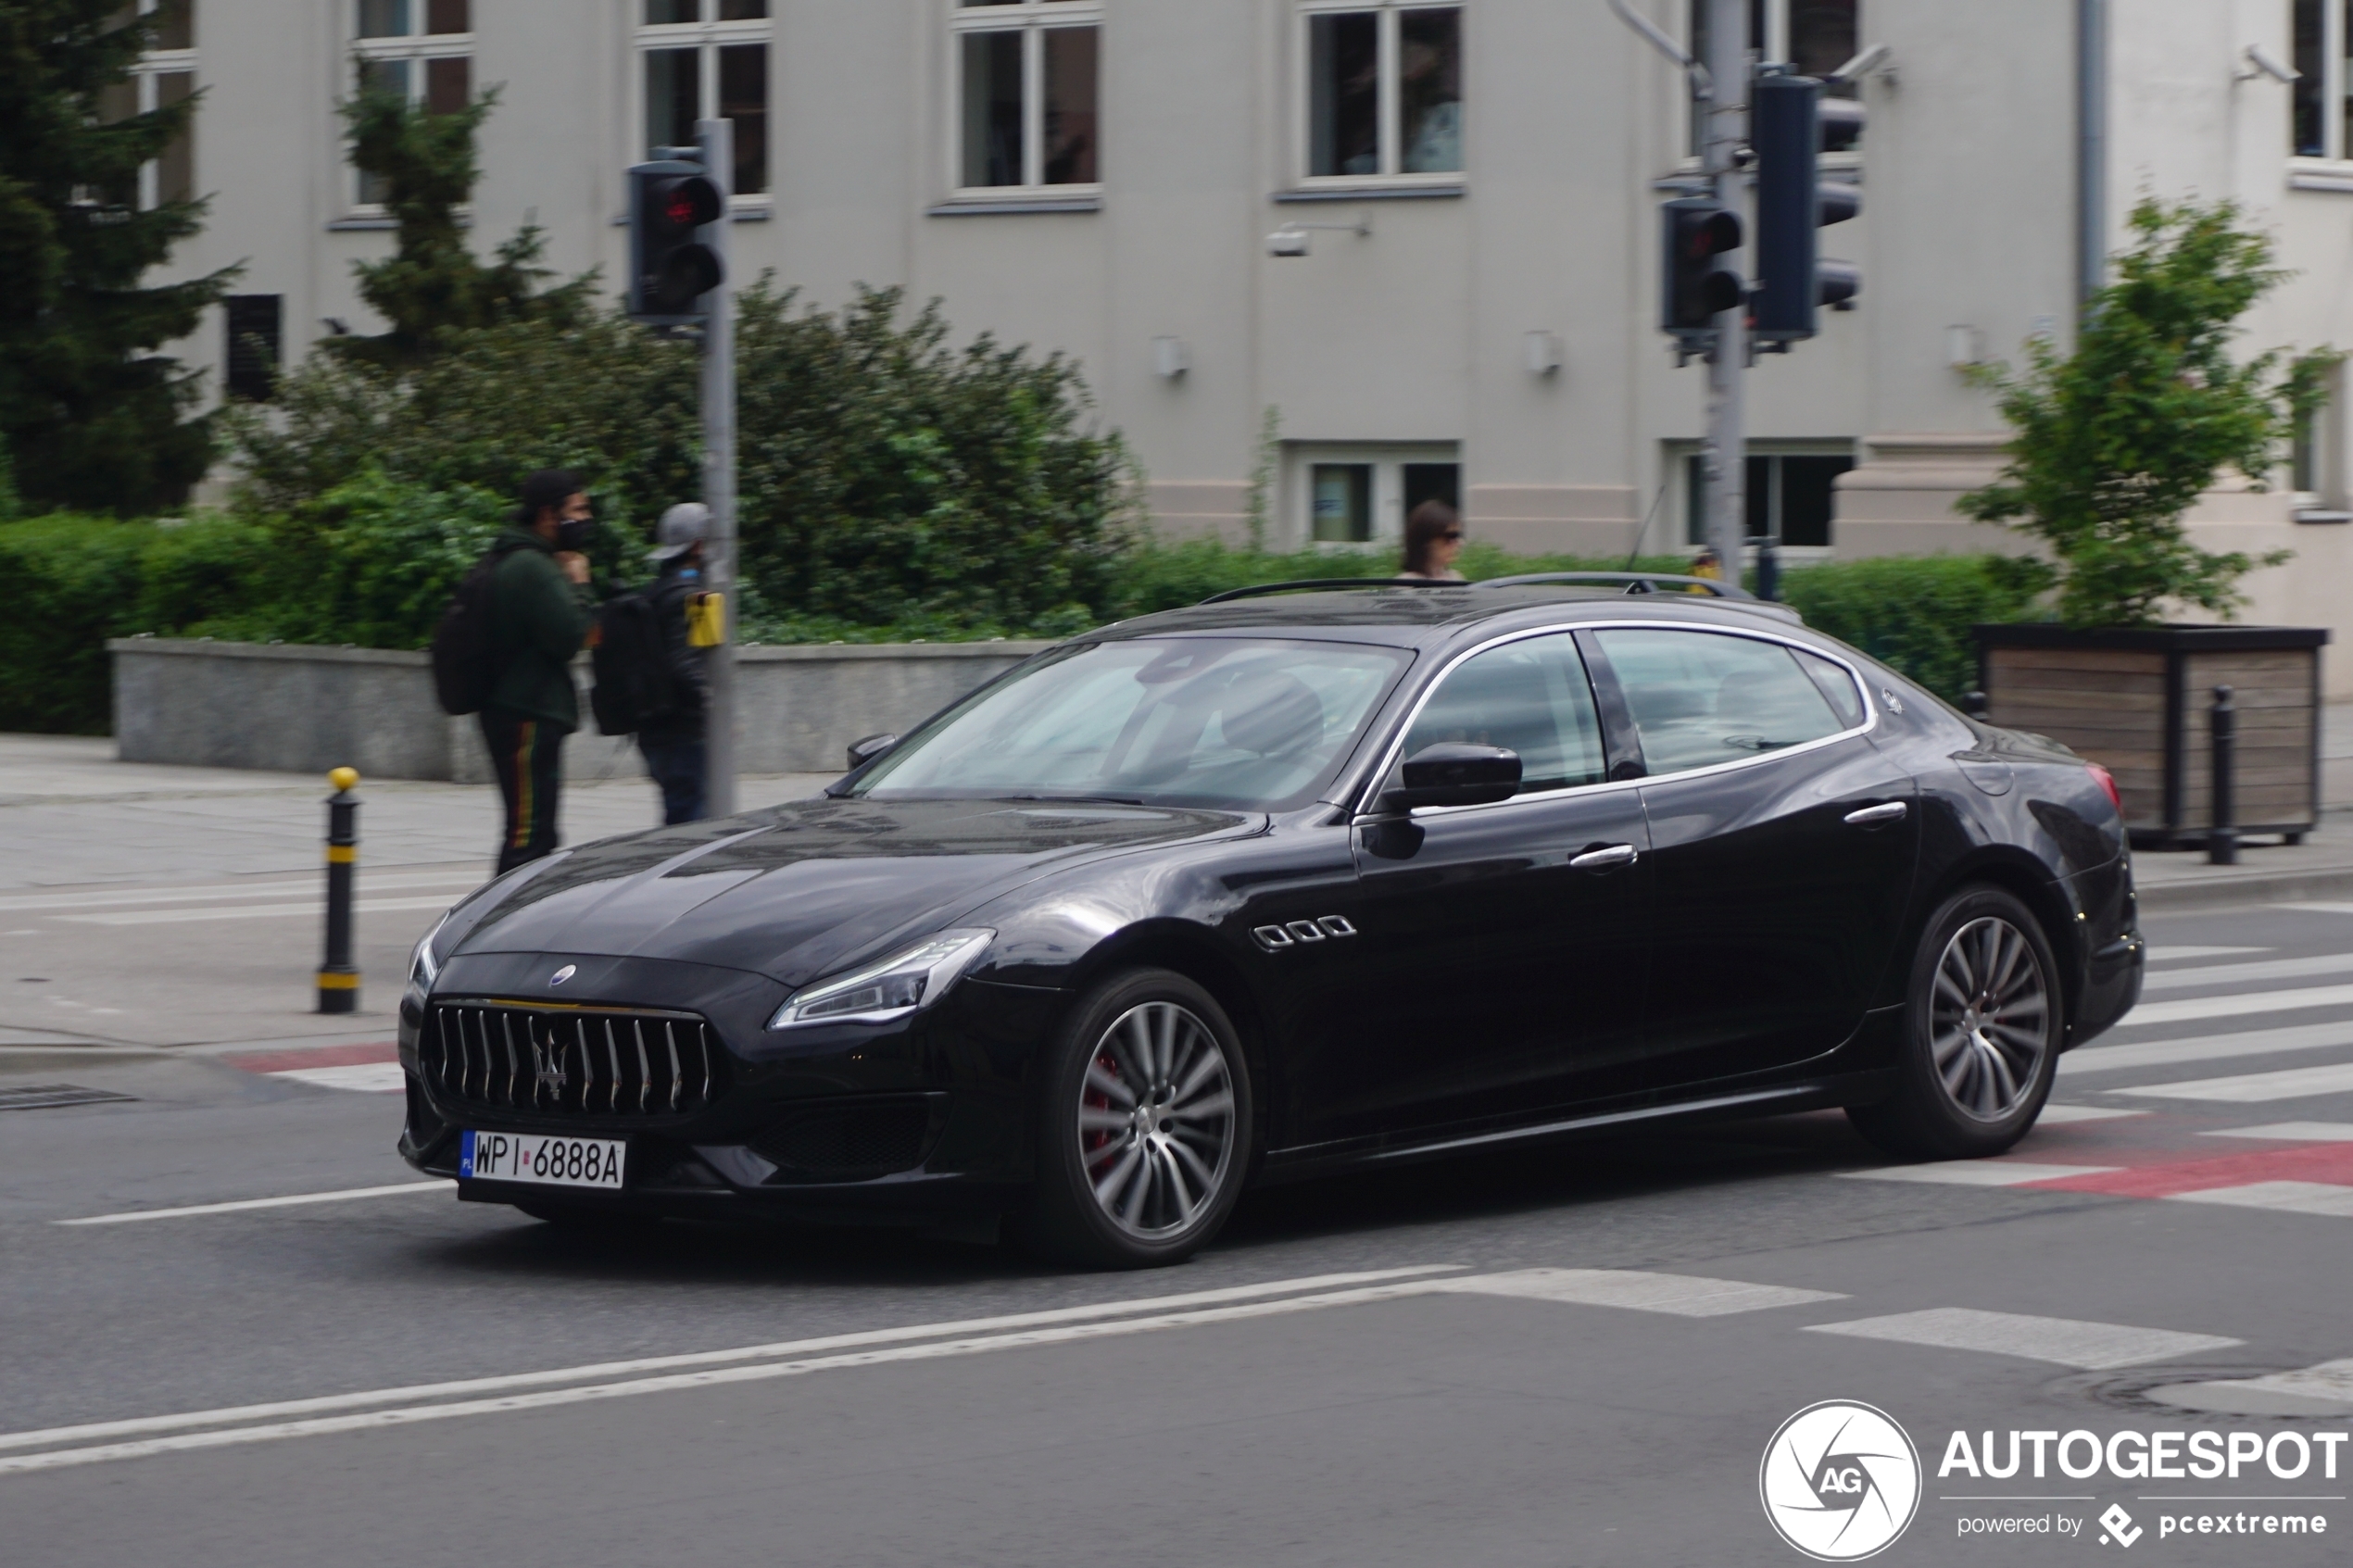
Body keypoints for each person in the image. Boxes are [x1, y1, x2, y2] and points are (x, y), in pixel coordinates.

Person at [483, 470, 595, 873]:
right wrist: (580, 585)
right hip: (525, 714)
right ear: (549, 515)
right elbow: (570, 637)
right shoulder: (532, 567)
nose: (585, 520)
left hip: (524, 711)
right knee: (528, 836)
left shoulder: (528, 560)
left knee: (537, 833)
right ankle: (495, 927)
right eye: (579, 510)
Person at [637, 502, 714, 824]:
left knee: (679, 810)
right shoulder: (701, 598)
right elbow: (691, 665)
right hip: (686, 731)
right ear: (698, 546)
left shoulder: (653, 591)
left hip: (654, 726)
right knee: (690, 821)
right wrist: (715, 709)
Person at [1398, 499, 1466, 581]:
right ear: (1426, 540)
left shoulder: (1456, 578)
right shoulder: (1406, 583)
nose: (1460, 543)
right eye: (1450, 537)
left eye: (1457, 536)